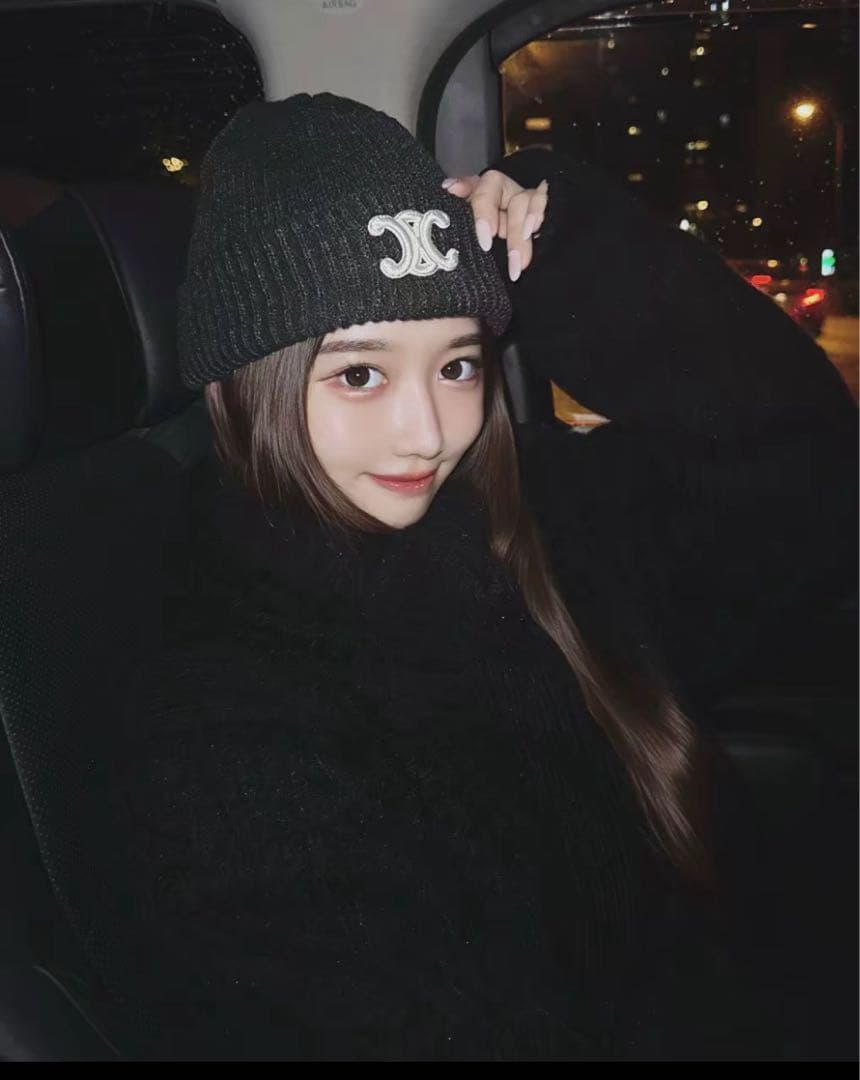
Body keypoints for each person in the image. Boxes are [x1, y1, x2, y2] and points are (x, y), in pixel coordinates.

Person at [86, 93, 856, 1061]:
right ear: (243, 382)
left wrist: (569, 252)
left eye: (457, 366)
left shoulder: (537, 522)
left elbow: (806, 480)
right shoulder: (219, 731)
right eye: (359, 374)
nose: (429, 434)